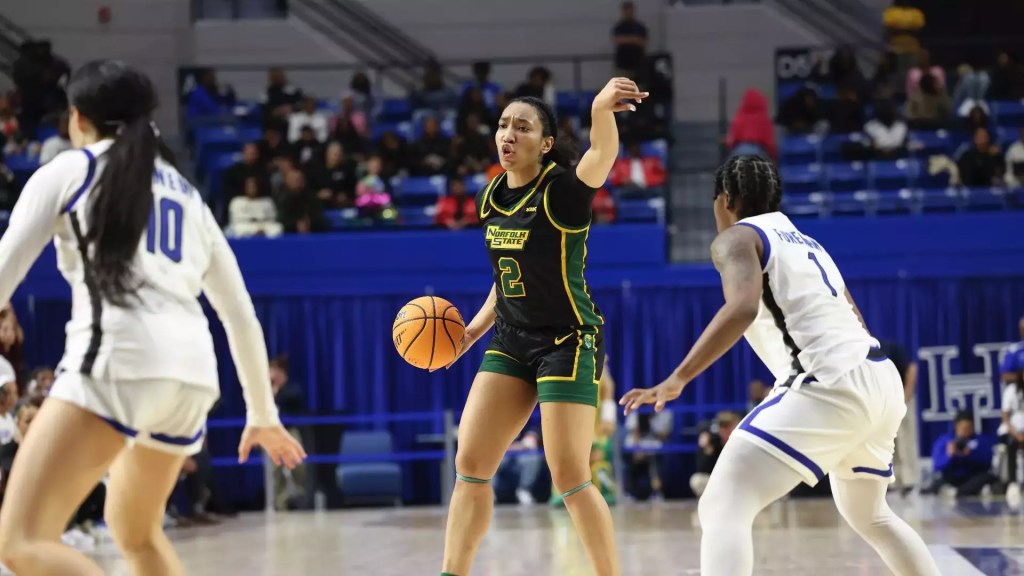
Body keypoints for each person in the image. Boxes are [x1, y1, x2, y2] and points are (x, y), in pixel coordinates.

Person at [0, 60, 306, 576]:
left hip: (118, 362)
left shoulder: (70, 170)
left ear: (78, 119)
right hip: (190, 378)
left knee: (20, 542)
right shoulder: (188, 195)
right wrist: (262, 412)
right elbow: (238, 314)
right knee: (137, 533)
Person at [620, 156, 939, 576]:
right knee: (872, 516)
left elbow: (742, 308)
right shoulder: (809, 243)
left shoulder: (736, 238)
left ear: (726, 200)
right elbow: (855, 318)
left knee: (724, 501)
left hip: (828, 381)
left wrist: (678, 377)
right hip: (878, 376)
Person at [438, 78, 647, 576]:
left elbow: (601, 154)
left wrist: (600, 108)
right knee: (469, 463)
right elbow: (503, 280)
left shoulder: (562, 192)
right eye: (504, 124)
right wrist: (470, 331)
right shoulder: (490, 195)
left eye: (523, 127)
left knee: (570, 474)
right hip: (511, 337)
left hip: (568, 340)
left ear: (545, 144)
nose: (508, 134)